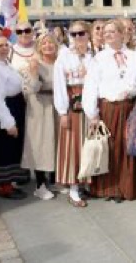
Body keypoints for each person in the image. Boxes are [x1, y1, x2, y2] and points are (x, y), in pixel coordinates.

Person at [83, 19, 136, 202]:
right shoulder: (99, 58)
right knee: (111, 148)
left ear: (122, 34)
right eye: (105, 32)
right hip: (109, 108)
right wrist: (93, 114)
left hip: (129, 106)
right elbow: (91, 86)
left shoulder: (134, 55)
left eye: (112, 31)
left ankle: (129, 186)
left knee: (130, 146)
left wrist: (131, 91)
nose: (108, 35)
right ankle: (111, 189)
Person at [53, 21, 95, 207]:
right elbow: (59, 85)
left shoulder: (95, 56)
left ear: (88, 34)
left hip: (92, 105)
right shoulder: (64, 57)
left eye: (81, 33)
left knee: (89, 145)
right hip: (73, 105)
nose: (78, 37)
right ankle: (73, 187)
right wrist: (62, 111)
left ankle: (86, 182)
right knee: (72, 146)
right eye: (74, 34)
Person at [0, 34, 31, 199]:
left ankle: (10, 183)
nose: (4, 48)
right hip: (7, 107)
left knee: (13, 147)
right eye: (0, 46)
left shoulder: (5, 63)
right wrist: (8, 122)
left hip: (16, 104)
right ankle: (3, 186)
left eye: (6, 45)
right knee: (5, 148)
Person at [22, 33, 59, 200]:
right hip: (39, 106)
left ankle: (55, 178)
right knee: (40, 142)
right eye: (44, 43)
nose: (48, 46)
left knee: (56, 141)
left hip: (57, 105)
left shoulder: (60, 62)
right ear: (39, 46)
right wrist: (35, 73)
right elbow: (30, 89)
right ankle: (40, 184)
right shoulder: (35, 63)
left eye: (51, 43)